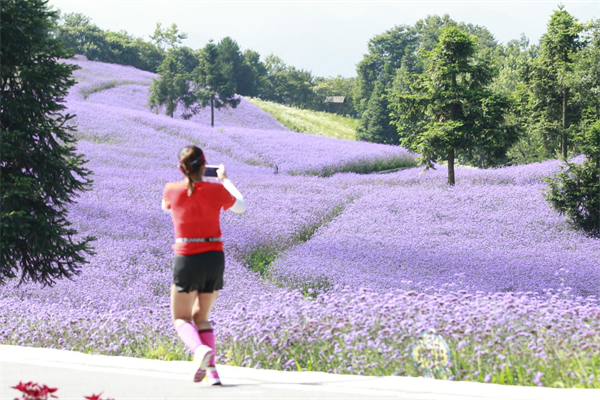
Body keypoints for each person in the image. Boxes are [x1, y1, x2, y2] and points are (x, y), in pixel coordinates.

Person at [162, 145, 246, 385]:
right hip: (214, 258)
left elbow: (165, 207)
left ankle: (199, 351)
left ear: (181, 168)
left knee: (181, 318)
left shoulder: (171, 190)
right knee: (202, 317)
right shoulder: (216, 190)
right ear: (204, 166)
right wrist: (226, 180)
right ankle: (212, 373)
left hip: (187, 256)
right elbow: (241, 206)